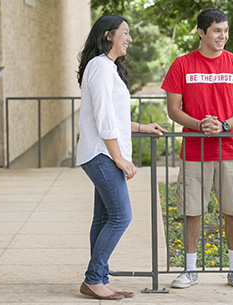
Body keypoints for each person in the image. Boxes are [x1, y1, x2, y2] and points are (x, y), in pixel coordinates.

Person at [161, 8, 233, 290]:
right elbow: (173, 110)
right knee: (192, 211)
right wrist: (200, 125)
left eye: (225, 31)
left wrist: (224, 126)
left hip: (230, 150)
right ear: (201, 32)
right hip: (194, 150)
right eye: (217, 30)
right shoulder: (181, 65)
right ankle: (190, 270)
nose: (223, 36)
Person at [75, 15, 167, 300]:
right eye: (124, 33)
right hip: (102, 154)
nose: (129, 38)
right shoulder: (100, 67)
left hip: (102, 152)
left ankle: (99, 278)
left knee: (103, 218)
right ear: (108, 35)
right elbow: (103, 119)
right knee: (121, 216)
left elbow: (113, 117)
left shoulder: (107, 68)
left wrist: (141, 127)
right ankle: (93, 278)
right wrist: (119, 158)